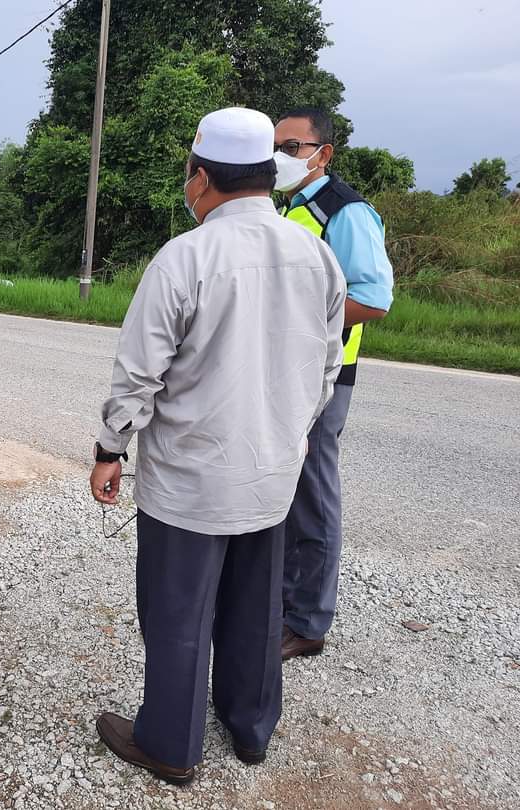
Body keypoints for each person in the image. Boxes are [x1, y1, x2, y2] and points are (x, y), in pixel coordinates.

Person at [89, 108, 347, 784]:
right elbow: (326, 369)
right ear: (267, 175)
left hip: (190, 483)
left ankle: (170, 746)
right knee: (256, 610)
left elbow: (138, 374)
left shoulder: (187, 257)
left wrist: (110, 448)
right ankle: (251, 728)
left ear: (201, 178)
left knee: (178, 613)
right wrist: (290, 435)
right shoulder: (315, 255)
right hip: (272, 475)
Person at [273, 108, 394, 660]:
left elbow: (372, 298)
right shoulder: (291, 207)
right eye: (274, 146)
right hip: (287, 371)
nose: (279, 157)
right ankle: (281, 603)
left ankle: (307, 623)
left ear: (323, 154)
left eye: (291, 147)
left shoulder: (346, 211)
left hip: (324, 375)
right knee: (285, 488)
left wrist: (302, 322)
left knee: (313, 496)